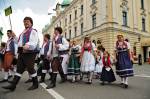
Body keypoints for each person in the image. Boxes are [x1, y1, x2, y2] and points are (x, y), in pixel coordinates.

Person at [2, 17, 40, 91]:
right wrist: (14, 36)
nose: (25, 23)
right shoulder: (23, 32)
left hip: (29, 53)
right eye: (24, 21)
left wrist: (27, 46)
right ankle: (13, 85)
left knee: (30, 68)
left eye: (27, 21)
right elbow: (18, 42)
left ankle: (35, 84)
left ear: (31, 23)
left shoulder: (33, 31)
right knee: (19, 69)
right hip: (21, 52)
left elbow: (34, 42)